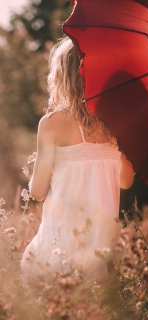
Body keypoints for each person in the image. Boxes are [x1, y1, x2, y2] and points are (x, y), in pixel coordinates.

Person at [21, 37, 134, 283]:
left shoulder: (51, 124)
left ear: (62, 77)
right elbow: (126, 181)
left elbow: (38, 192)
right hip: (98, 254)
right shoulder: (117, 125)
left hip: (57, 246)